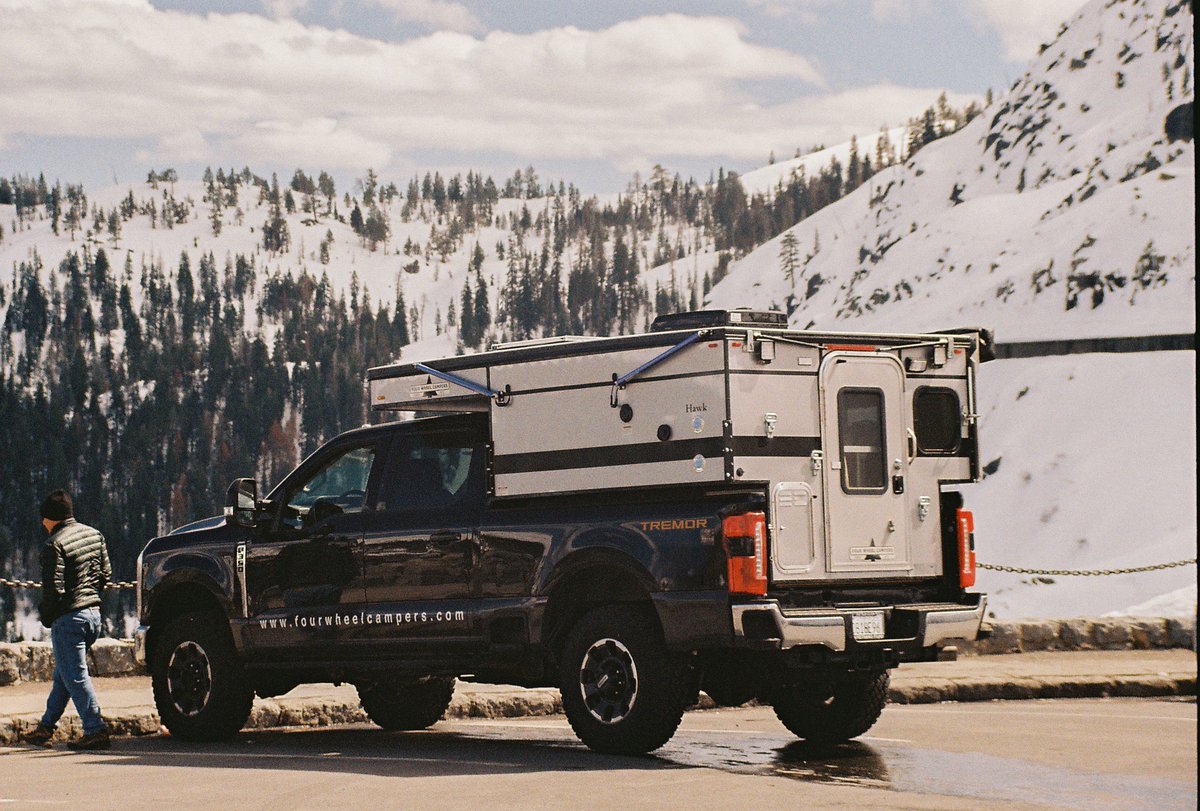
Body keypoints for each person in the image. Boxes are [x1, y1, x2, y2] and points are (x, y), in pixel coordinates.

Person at [19, 490, 112, 750]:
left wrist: (48, 617)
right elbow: (106, 574)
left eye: (44, 518)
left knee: (76, 676)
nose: (42, 523)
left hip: (69, 619)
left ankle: (95, 729)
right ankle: (45, 727)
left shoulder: (54, 545)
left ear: (51, 518)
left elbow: (54, 590)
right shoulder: (94, 534)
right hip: (93, 615)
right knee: (65, 676)